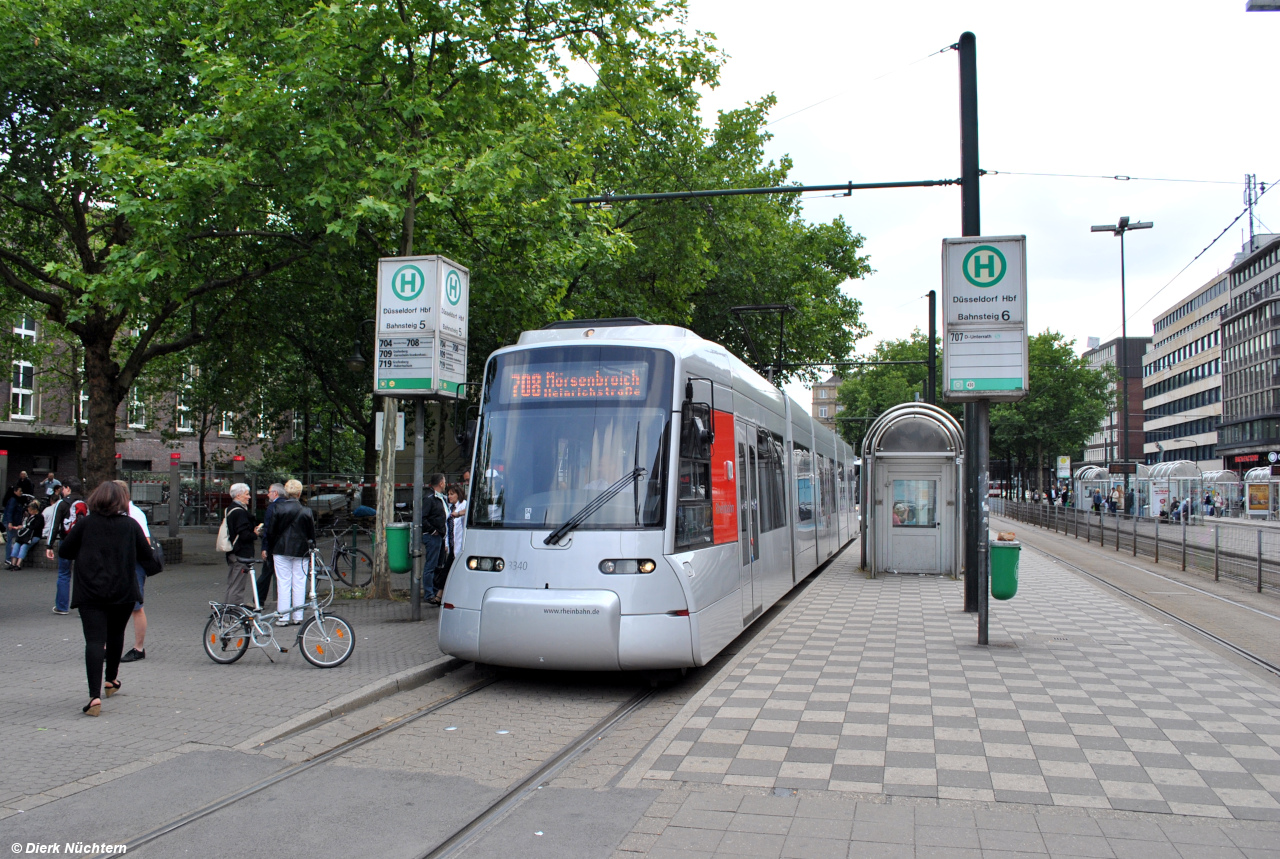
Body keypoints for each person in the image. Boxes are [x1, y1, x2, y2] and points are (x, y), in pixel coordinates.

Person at [59, 480, 161, 716]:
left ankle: (94, 696)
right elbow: (150, 561)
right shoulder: (130, 525)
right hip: (123, 591)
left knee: (94, 641)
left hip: (90, 592)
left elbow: (65, 551)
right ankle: (111, 679)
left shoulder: (85, 525)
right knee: (116, 634)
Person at [266, 479, 314, 626]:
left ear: (286, 493)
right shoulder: (306, 511)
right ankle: (298, 616)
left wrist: (270, 548)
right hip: (301, 550)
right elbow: (311, 534)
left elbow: (271, 531)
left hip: (280, 549)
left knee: (283, 583)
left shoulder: (277, 509)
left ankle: (283, 617)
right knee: (299, 582)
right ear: (300, 493)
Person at [116, 481, 153, 663]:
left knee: (136, 607)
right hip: (121, 565)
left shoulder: (135, 514)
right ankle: (110, 645)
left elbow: (145, 542)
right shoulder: (117, 514)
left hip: (134, 565)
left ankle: (139, 648)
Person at [46, 481, 86, 615]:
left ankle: (62, 607)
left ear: (67, 488)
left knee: (64, 574)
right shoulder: (86, 503)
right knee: (83, 575)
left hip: (66, 542)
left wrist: (49, 545)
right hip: (83, 544)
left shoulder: (62, 504)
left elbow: (54, 525)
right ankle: (83, 607)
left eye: (63, 488)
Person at [222, 483, 257, 607]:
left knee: (232, 584)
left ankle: (227, 613)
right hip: (241, 553)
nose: (249, 497)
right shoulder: (240, 513)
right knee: (237, 587)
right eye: (246, 494)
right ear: (238, 495)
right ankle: (233, 614)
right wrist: (255, 533)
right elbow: (244, 535)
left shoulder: (230, 509)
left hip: (232, 552)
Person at [433, 483, 467, 604]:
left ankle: (440, 595)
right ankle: (441, 595)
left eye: (452, 494)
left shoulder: (463, 505)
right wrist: (447, 544)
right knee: (446, 570)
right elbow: (448, 527)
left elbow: (467, 512)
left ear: (459, 495)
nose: (449, 496)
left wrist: (458, 514)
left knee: (450, 570)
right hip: (452, 544)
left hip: (460, 545)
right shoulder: (449, 507)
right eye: (448, 494)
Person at [255, 483, 286, 608]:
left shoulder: (272, 508)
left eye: (269, 492)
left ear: (275, 493)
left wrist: (264, 547)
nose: (268, 494)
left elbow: (268, 530)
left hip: (273, 546)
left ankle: (258, 600)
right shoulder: (289, 505)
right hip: (286, 546)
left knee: (266, 574)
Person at [421, 473, 448, 605]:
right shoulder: (430, 498)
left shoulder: (441, 498)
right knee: (431, 565)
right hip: (433, 536)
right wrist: (432, 530)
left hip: (440, 535)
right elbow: (423, 517)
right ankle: (429, 593)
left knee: (438, 564)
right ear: (441, 483)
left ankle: (436, 591)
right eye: (444, 482)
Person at [6, 500, 42, 569]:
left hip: (34, 535)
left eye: (30, 510)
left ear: (34, 510)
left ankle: (18, 564)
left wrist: (24, 527)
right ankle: (13, 563)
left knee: (24, 546)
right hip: (25, 535)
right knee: (16, 544)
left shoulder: (39, 517)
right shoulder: (28, 516)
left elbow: (35, 527)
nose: (29, 512)